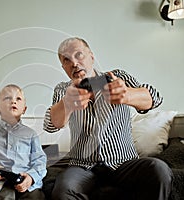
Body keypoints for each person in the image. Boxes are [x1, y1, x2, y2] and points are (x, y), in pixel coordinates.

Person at [43, 37, 173, 200]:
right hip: (82, 166)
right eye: (67, 60)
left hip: (124, 163)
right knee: (63, 190)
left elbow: (155, 98)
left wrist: (128, 95)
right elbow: (50, 125)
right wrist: (66, 105)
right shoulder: (63, 89)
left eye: (79, 55)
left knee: (158, 169)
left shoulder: (118, 77)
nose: (74, 63)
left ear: (91, 56)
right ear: (64, 67)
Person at [0, 84, 47, 200]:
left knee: (35, 197)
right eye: (7, 98)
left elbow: (40, 161)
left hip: (25, 183)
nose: (13, 101)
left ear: (24, 109)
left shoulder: (31, 134)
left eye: (18, 99)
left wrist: (31, 177)